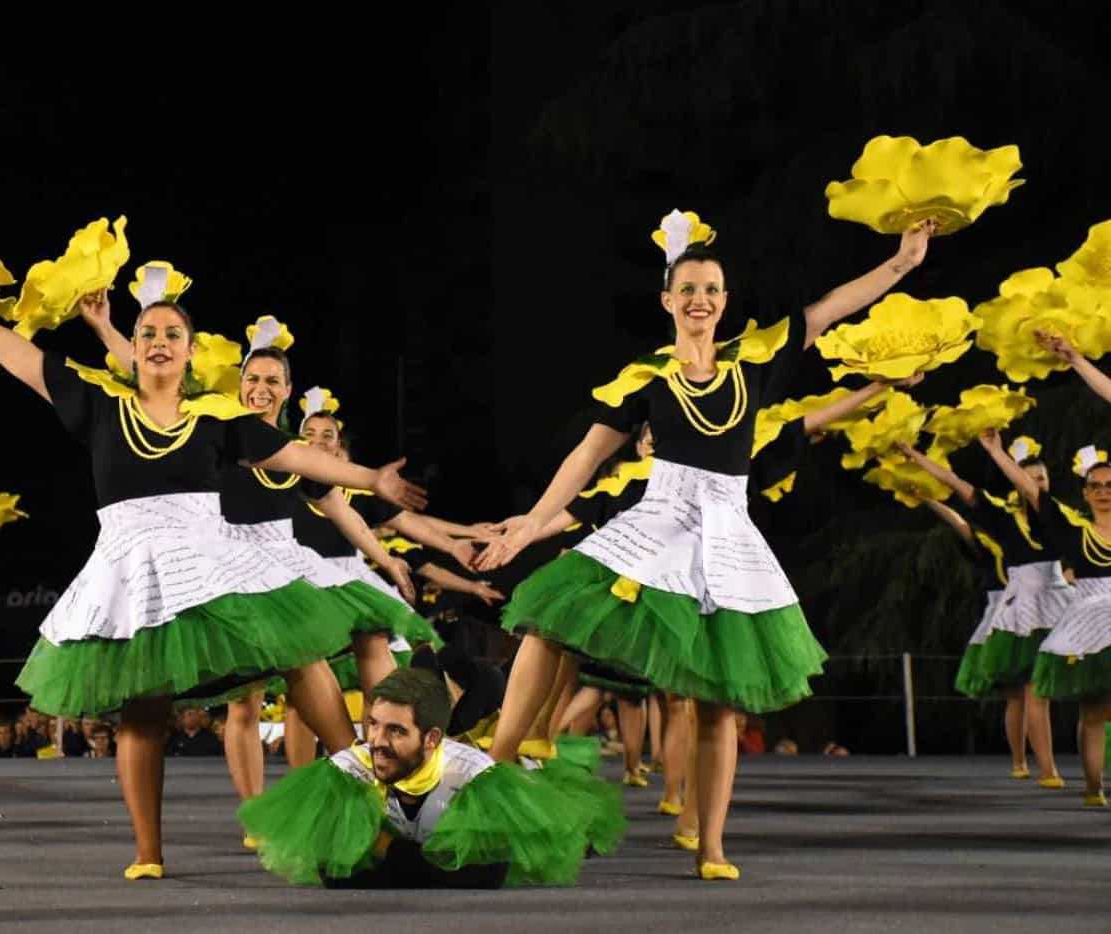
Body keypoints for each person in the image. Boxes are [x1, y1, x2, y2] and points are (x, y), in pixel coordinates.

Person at [474, 219, 937, 879]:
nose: (700, 299)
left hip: (727, 532)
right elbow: (586, 456)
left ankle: (712, 844)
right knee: (547, 620)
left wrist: (903, 262)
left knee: (720, 700)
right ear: (667, 300)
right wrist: (530, 522)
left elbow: (833, 307)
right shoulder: (644, 379)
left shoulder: (755, 358)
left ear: (724, 299)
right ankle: (501, 756)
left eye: (712, 289)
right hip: (657, 520)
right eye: (687, 288)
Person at [0, 292, 424, 880]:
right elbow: (21, 356)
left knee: (300, 654)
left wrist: (371, 478)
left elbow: (297, 457)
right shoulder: (99, 404)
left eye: (171, 335)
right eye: (148, 333)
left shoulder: (214, 416)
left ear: (190, 353)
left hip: (210, 558)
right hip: (132, 568)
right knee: (143, 706)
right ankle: (148, 852)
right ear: (133, 350)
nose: (159, 343)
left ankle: (366, 789)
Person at [239, 668, 614, 888]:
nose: (377, 743)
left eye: (396, 731)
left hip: (524, 795)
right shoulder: (346, 770)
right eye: (373, 725)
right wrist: (427, 862)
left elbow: (486, 874)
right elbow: (334, 873)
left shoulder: (473, 778)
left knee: (572, 839)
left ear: (432, 738)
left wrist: (390, 854)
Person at [897, 437, 1066, 785]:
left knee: (1044, 690)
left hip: (1060, 602)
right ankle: (1035, 765)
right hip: (1023, 608)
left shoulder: (1060, 516)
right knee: (1028, 691)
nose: (1037, 484)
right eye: (1030, 478)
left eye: (1042, 479)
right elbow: (958, 491)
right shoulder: (1001, 516)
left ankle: (1048, 764)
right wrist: (916, 459)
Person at [982, 431, 1111, 805]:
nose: (1104, 491)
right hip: (1090, 622)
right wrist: (996, 451)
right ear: (1086, 494)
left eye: (1109, 485)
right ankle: (1093, 787)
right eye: (1096, 486)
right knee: (1094, 713)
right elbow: (1033, 492)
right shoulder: (1074, 532)